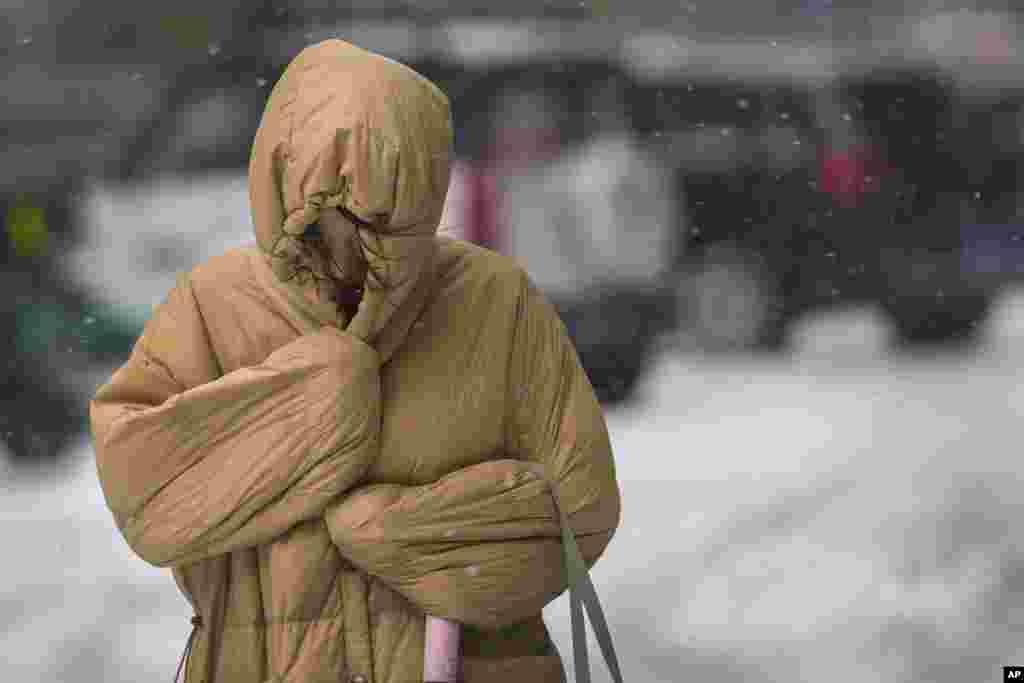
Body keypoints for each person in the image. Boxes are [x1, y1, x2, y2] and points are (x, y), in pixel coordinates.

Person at [88, 40, 621, 683]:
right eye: (321, 211)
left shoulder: (492, 300)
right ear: (278, 180)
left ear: (422, 189)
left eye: (380, 213)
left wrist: (407, 536)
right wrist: (316, 405)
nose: (349, 240)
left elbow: (580, 506)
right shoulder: (214, 303)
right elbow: (148, 496)